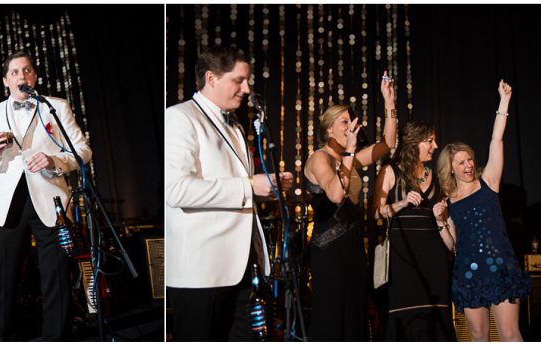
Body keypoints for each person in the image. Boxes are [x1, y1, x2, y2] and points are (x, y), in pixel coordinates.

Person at [165, 45, 294, 341]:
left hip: (241, 266)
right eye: (238, 80)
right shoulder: (180, 117)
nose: (247, 89)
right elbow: (176, 190)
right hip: (202, 271)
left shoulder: (234, 124)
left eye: (247, 81)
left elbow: (234, 187)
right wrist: (250, 185)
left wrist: (267, 189)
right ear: (211, 78)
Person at [0, 51, 91, 341]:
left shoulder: (56, 107)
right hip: (9, 205)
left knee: (57, 277)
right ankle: (5, 338)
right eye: (14, 72)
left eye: (26, 71)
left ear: (34, 77)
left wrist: (55, 161)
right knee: (6, 280)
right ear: (5, 81)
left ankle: (55, 338)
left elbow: (83, 151)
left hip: (50, 199)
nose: (21, 76)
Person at [304, 71, 398, 341]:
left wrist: (388, 101)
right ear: (329, 129)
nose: (351, 126)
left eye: (352, 121)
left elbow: (388, 144)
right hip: (329, 248)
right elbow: (335, 194)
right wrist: (348, 153)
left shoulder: (351, 159)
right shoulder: (319, 158)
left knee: (355, 316)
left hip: (354, 247)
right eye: (344, 122)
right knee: (332, 317)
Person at [435, 80, 530, 342]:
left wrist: (504, 101)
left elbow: (496, 138)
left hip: (500, 266)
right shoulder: (450, 199)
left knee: (509, 333)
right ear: (450, 167)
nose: (468, 164)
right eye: (461, 161)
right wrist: (440, 221)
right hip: (467, 271)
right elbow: (450, 243)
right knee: (477, 335)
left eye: (470, 159)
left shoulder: (488, 181)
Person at [370, 120, 455, 341]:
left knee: (438, 318)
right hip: (403, 257)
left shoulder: (436, 178)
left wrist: (441, 217)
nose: (435, 146)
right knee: (404, 317)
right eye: (430, 141)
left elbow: (446, 226)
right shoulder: (390, 171)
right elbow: (375, 213)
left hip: (435, 258)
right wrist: (400, 204)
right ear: (414, 143)